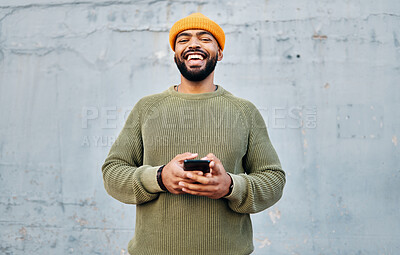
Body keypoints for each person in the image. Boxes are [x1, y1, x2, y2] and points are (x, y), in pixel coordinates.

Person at [102, 13, 285, 255]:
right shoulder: (146, 109)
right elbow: (113, 172)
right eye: (183, 39)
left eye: (205, 38)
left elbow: (273, 179)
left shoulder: (244, 111)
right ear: (176, 54)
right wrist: (159, 177)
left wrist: (230, 185)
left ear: (219, 53)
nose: (193, 44)